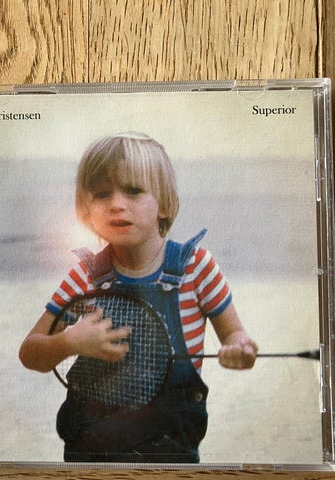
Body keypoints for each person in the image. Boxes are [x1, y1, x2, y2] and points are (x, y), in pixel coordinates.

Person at [19, 132, 258, 463]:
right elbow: (30, 352)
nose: (116, 204)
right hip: (93, 450)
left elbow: (234, 334)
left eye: (133, 190)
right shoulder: (85, 278)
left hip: (170, 451)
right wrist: (69, 342)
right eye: (101, 194)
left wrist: (239, 349)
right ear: (87, 209)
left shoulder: (195, 268)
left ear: (164, 205)